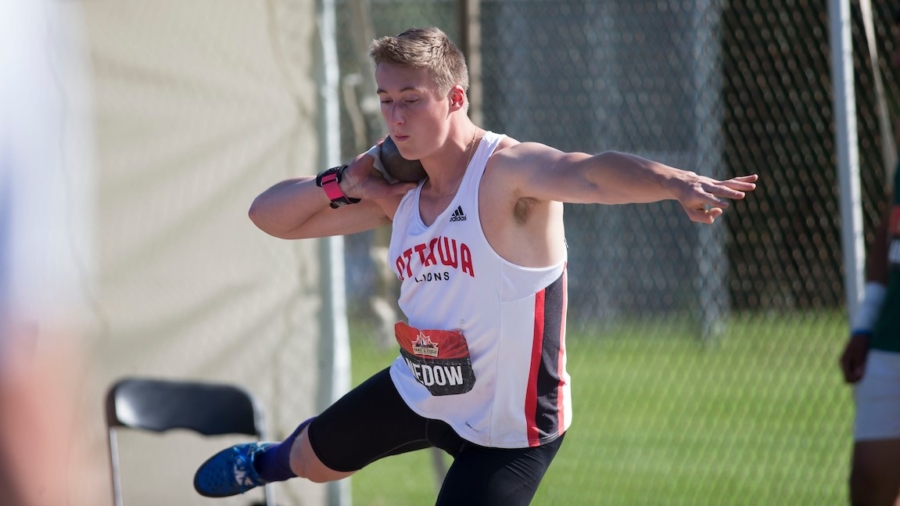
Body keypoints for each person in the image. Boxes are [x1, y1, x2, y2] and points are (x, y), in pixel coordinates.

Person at [193, 27, 757, 505]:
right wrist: (345, 179)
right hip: (421, 387)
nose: (395, 116)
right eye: (386, 100)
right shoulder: (399, 195)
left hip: (509, 429)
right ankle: (264, 463)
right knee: (311, 461)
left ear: (455, 98)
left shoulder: (507, 175)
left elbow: (589, 172)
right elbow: (270, 217)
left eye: (411, 98)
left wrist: (676, 183)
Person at [838, 9, 900, 506]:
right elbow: (887, 232)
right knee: (869, 484)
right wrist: (866, 325)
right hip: (890, 340)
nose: (896, 57)